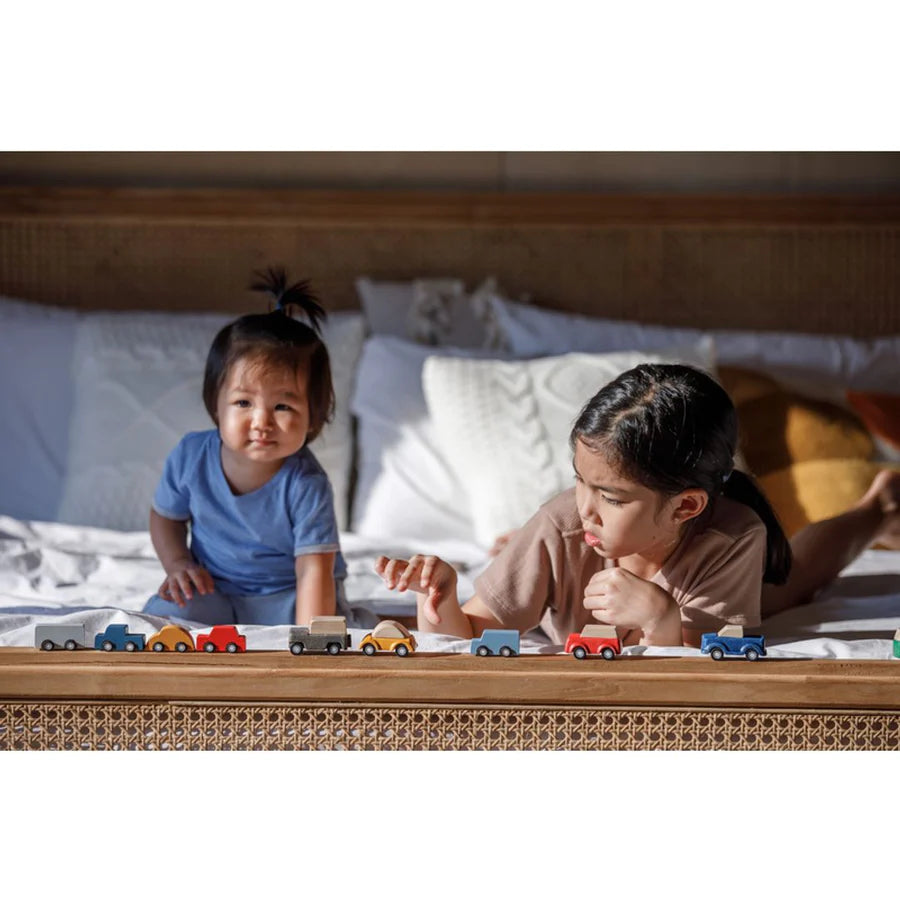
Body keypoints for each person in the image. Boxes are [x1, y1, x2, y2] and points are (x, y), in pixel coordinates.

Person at [375, 363, 900, 648]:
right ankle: (520, 546)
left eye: (611, 496)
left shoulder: (732, 535)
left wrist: (663, 620)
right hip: (559, 548)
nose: (587, 509)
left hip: (718, 572)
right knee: (549, 532)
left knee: (796, 581)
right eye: (580, 481)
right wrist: (439, 603)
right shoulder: (563, 522)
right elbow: (470, 636)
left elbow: (717, 658)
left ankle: (877, 506)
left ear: (685, 506)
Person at [143, 268, 346, 627]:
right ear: (215, 404)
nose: (261, 422)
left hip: (290, 595)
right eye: (243, 403)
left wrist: (310, 644)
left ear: (314, 416)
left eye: (283, 406)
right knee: (167, 619)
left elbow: (314, 570)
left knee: (329, 629)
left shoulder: (306, 484)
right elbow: (166, 517)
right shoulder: (192, 456)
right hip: (214, 588)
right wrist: (178, 564)